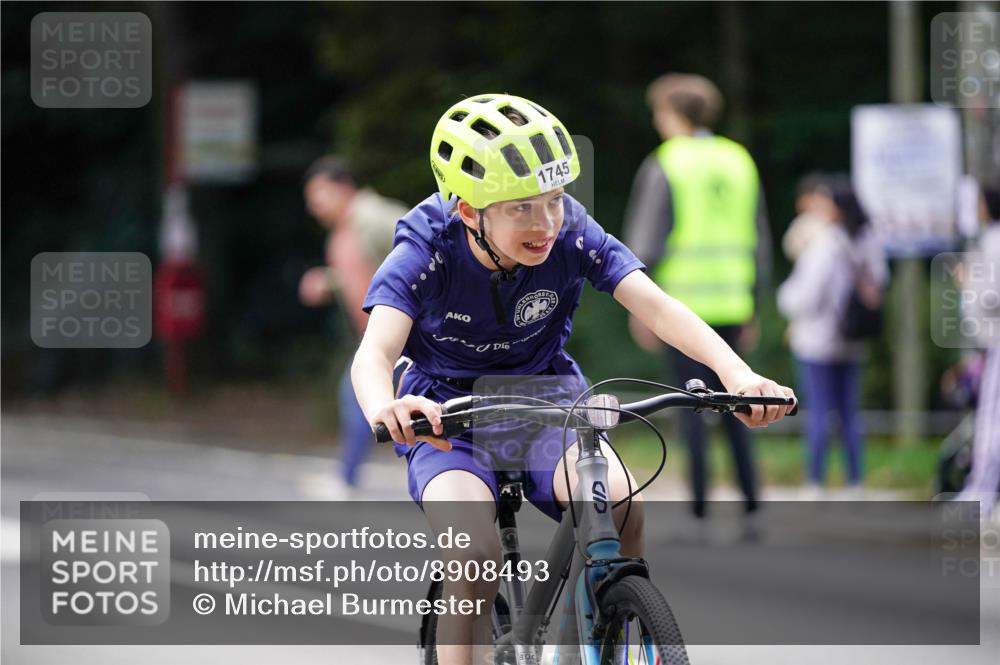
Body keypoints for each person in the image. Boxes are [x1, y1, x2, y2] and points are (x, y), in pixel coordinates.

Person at [351, 93, 796, 665]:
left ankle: (609, 628)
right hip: (448, 416)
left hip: (548, 401)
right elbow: (375, 352)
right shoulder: (425, 246)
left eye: (555, 200)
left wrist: (737, 373)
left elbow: (657, 307)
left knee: (623, 506)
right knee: (475, 554)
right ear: (468, 210)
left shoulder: (570, 233)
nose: (545, 224)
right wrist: (384, 407)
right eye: (520, 209)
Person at [623, 73, 772, 526]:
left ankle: (701, 509)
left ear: (673, 114)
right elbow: (758, 237)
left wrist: (640, 307)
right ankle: (751, 503)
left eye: (659, 111)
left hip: (681, 309)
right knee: (740, 403)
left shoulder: (666, 162)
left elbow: (645, 242)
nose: (656, 120)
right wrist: (753, 303)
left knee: (690, 409)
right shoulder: (738, 159)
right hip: (732, 302)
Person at [299, 156, 408, 490]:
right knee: (368, 396)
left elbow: (425, 251)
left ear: (344, 188)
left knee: (357, 393)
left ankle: (347, 479)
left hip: (407, 333)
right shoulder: (345, 231)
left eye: (320, 194)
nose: (314, 205)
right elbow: (368, 272)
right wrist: (330, 281)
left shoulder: (375, 217)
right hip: (379, 335)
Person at [777, 176, 887, 496]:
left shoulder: (826, 244)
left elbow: (805, 296)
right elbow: (879, 281)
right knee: (850, 412)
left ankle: (815, 481)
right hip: (853, 339)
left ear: (837, 207)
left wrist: (784, 301)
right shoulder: (869, 239)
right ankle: (855, 481)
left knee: (820, 412)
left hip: (818, 340)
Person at [956, 185, 1000, 520]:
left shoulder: (992, 242)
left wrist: (967, 282)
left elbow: (989, 298)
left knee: (990, 422)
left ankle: (980, 495)